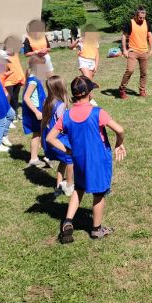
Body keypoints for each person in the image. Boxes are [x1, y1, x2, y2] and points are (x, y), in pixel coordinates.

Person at [46, 76, 126, 244]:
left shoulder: (66, 116)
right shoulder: (98, 113)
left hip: (79, 159)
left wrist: (68, 150)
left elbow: (50, 138)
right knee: (99, 193)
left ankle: (68, 221)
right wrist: (119, 144)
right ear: (89, 93)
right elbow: (120, 130)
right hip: (98, 160)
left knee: (79, 188)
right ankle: (96, 229)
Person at [41, 75, 74, 198]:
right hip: (59, 138)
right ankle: (69, 185)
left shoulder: (46, 101)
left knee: (63, 162)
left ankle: (58, 186)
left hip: (50, 137)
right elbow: (64, 123)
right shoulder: (60, 105)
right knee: (71, 160)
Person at [119, 6, 152, 99]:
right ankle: (122, 89)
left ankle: (142, 90)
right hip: (132, 51)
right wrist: (124, 50)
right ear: (136, 15)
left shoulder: (147, 23)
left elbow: (150, 36)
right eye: (140, 17)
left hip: (144, 52)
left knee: (144, 72)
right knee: (130, 70)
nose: (142, 19)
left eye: (144, 17)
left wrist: (151, 49)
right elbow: (123, 36)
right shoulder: (130, 23)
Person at [22, 61, 51, 168]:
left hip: (38, 110)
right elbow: (26, 97)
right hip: (35, 112)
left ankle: (44, 155)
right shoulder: (33, 81)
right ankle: (34, 158)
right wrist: (36, 112)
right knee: (38, 134)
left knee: (40, 133)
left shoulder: (34, 79)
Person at [1, 36, 26, 127]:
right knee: (9, 98)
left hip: (17, 79)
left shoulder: (15, 53)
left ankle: (15, 114)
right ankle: (9, 118)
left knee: (15, 98)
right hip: (8, 80)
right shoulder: (3, 55)